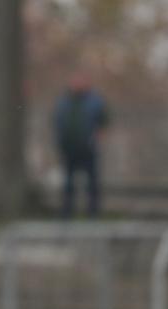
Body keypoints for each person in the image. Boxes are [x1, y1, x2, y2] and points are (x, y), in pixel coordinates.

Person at [53, 73, 109, 218]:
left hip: (88, 148)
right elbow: (57, 122)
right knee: (68, 182)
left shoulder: (95, 101)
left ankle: (93, 213)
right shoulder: (63, 101)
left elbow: (104, 121)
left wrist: (97, 137)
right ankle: (67, 212)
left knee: (92, 182)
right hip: (69, 148)